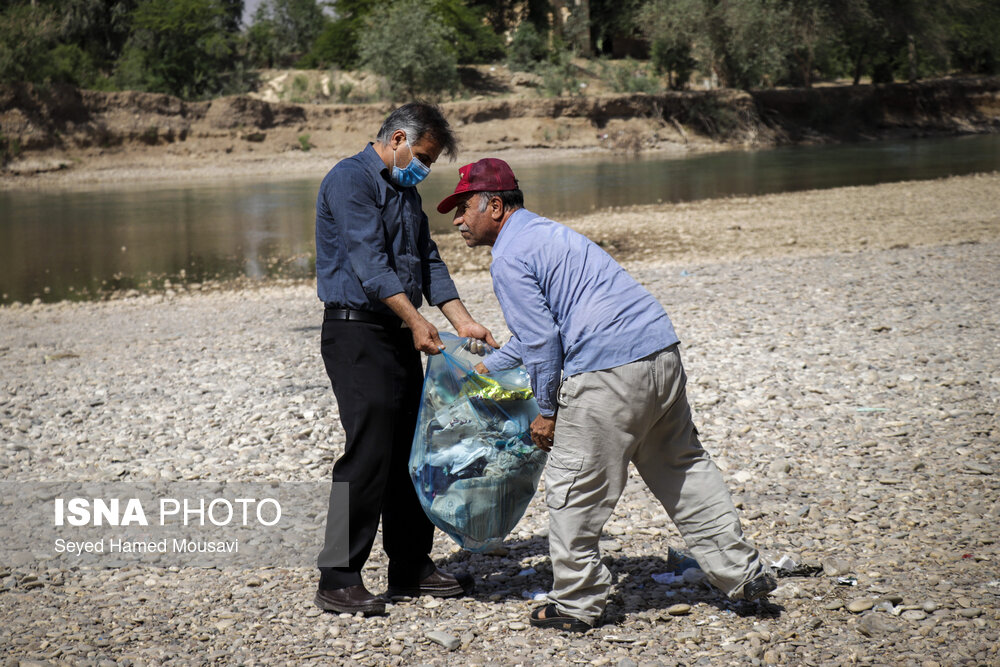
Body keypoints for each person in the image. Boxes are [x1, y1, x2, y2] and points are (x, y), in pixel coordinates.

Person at [437, 158, 776, 631]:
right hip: (659, 352)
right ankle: (742, 574)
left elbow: (542, 344)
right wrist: (480, 366)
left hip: (608, 371)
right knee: (683, 468)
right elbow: (543, 332)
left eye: (463, 208)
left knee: (573, 488)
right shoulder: (549, 234)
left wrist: (548, 411)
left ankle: (576, 603)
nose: (455, 220)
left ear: (494, 206)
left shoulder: (509, 258)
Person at [314, 103, 498, 616]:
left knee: (411, 450)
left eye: (429, 161)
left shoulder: (406, 191)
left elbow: (429, 259)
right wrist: (418, 322)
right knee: (368, 452)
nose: (422, 168)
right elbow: (369, 264)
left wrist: (461, 321)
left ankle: (411, 565)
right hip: (357, 334)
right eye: (420, 156)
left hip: (398, 334)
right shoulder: (350, 181)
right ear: (396, 139)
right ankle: (337, 576)